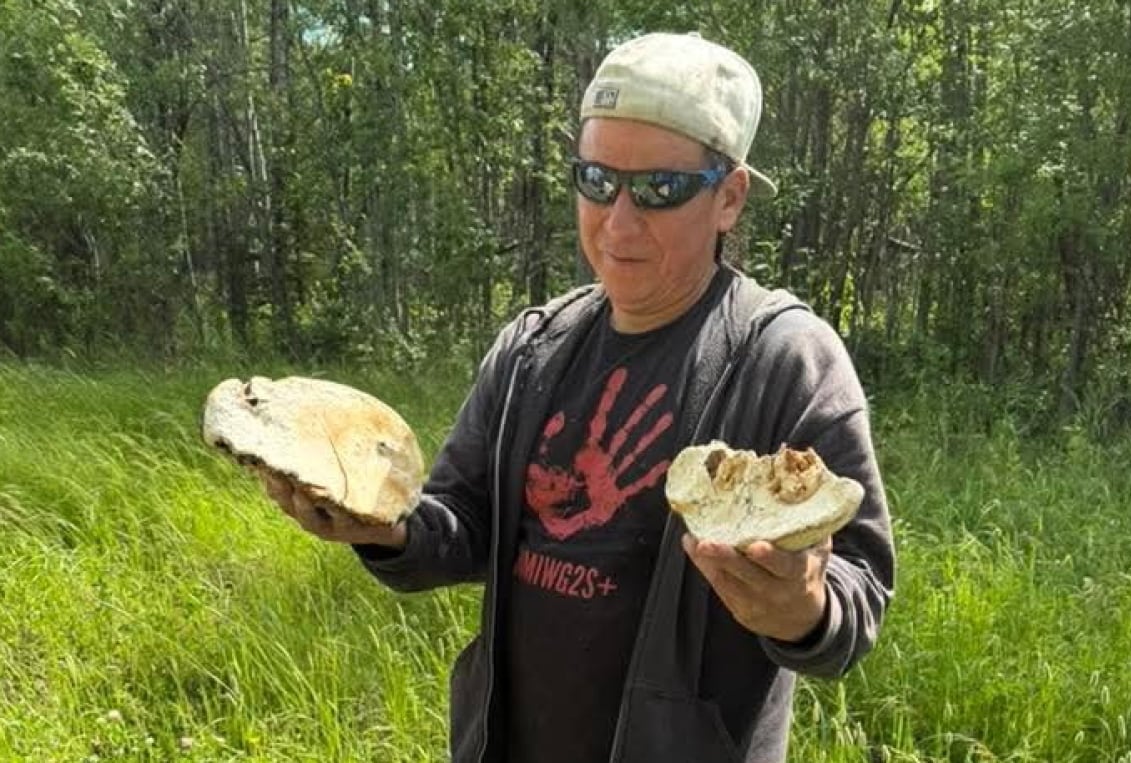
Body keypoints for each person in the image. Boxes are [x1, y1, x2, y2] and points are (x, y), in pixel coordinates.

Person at [263, 31, 894, 763]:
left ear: (730, 196)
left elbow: (859, 590)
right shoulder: (533, 346)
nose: (618, 222)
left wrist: (802, 608)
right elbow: (460, 526)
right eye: (596, 180)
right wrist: (377, 523)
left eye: (660, 189)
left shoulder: (784, 360)